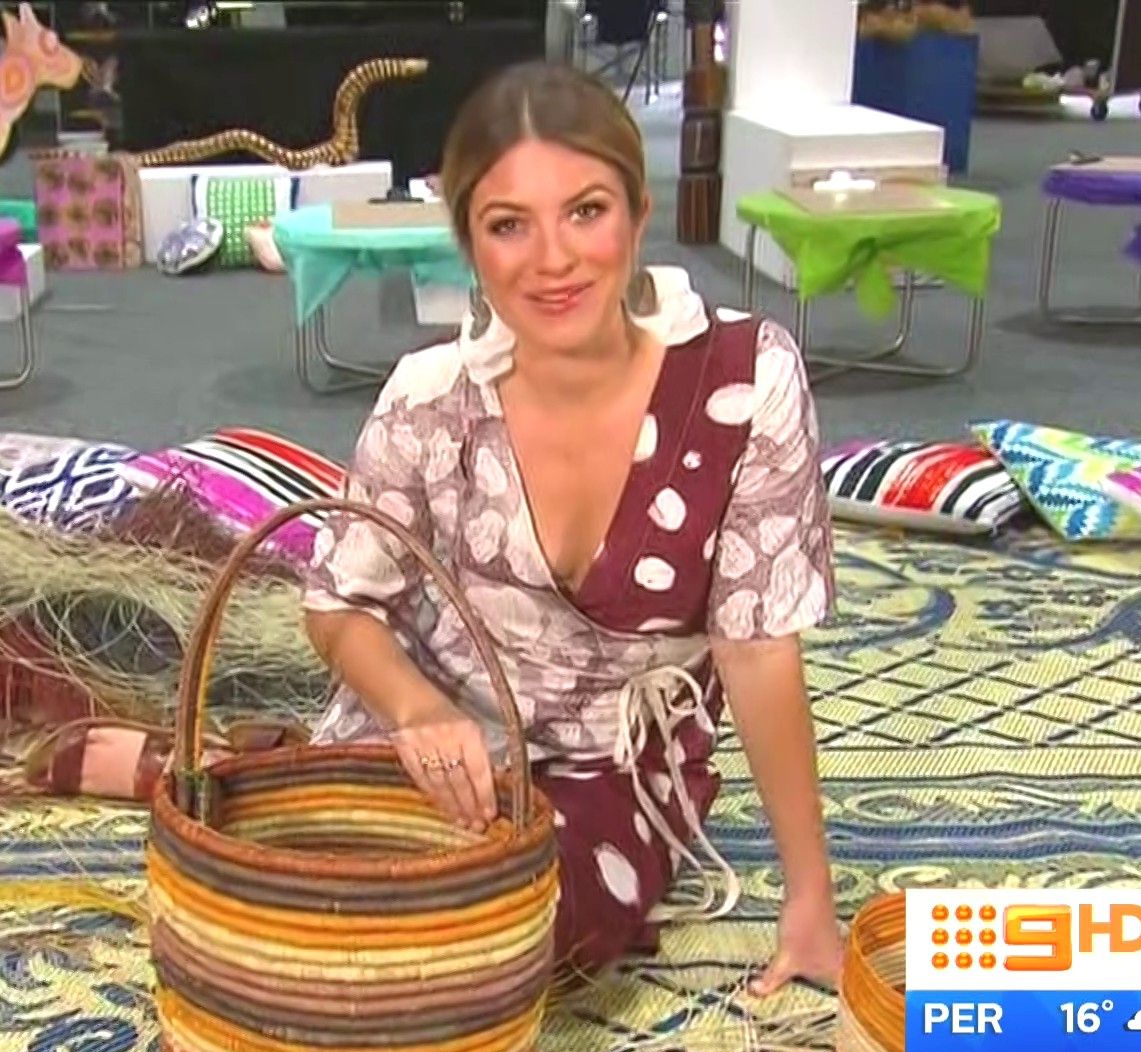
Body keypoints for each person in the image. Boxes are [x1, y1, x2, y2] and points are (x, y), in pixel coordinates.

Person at [299, 60, 842, 993]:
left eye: (585, 211)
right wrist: (417, 710)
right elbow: (338, 603)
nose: (552, 259)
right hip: (436, 740)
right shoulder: (430, 399)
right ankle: (196, 768)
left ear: (637, 214)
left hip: (610, 769)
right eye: (509, 224)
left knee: (490, 939)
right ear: (469, 245)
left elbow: (757, 651)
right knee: (302, 896)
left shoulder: (746, 381)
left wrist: (810, 900)